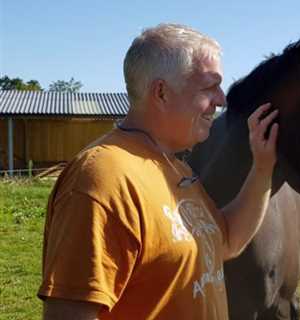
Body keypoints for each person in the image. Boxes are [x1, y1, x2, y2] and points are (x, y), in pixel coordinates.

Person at [38, 23, 279, 319]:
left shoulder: (173, 166)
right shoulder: (101, 179)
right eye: (209, 86)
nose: (221, 99)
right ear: (162, 92)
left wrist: (263, 168)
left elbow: (225, 242)